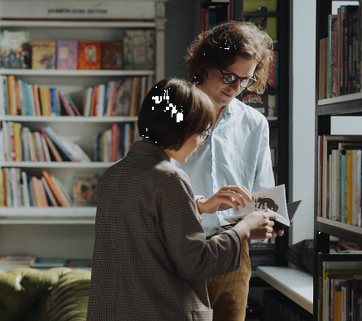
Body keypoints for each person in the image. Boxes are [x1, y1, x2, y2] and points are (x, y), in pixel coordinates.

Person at [86, 77, 280, 321]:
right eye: (202, 132)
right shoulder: (170, 178)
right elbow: (196, 263)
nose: (200, 142)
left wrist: (198, 204)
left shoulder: (114, 174)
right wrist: (243, 229)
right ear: (182, 127)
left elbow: (147, 234)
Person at [174, 21, 283, 321]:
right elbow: (153, 181)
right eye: (228, 76)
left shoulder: (254, 123)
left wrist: (268, 221)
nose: (236, 88)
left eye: (245, 80)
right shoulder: (174, 110)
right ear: (205, 65)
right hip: (181, 248)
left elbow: (263, 190)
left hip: (235, 251)